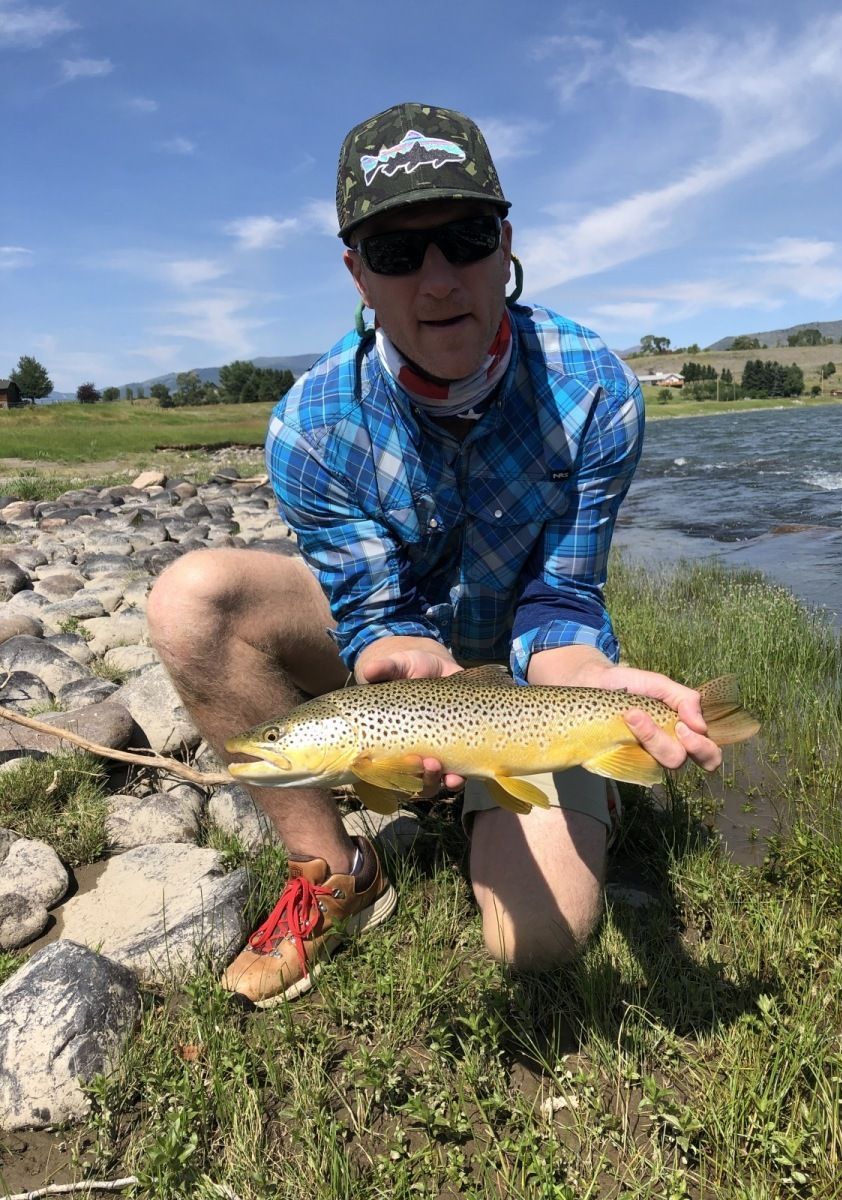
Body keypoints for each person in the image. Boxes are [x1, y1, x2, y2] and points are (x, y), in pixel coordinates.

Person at [147, 102, 721, 1008]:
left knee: (532, 942)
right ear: (357, 275)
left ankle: (586, 770)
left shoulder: (596, 391)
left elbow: (563, 601)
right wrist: (388, 651)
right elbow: (370, 612)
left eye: (464, 236)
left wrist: (595, 684)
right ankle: (335, 870)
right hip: (401, 674)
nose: (439, 279)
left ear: (506, 244)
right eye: (397, 253)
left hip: (529, 690)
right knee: (193, 599)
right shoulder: (310, 424)